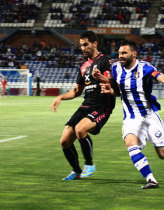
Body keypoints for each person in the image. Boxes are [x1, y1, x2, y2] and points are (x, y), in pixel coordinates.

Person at [100, 40, 164, 189]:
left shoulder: (145, 67)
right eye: (119, 53)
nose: (121, 56)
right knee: (130, 144)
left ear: (134, 54)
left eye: (124, 53)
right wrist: (110, 90)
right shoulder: (115, 68)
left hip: (149, 116)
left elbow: (161, 77)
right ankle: (151, 179)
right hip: (131, 117)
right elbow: (117, 90)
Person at [50, 31, 116, 180]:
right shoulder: (84, 66)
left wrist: (101, 78)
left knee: (80, 129)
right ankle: (76, 170)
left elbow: (114, 84)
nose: (83, 48)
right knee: (65, 140)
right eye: (81, 45)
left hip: (102, 105)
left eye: (86, 44)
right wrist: (60, 97)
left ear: (95, 43)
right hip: (86, 104)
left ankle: (89, 163)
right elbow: (76, 91)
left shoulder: (106, 61)